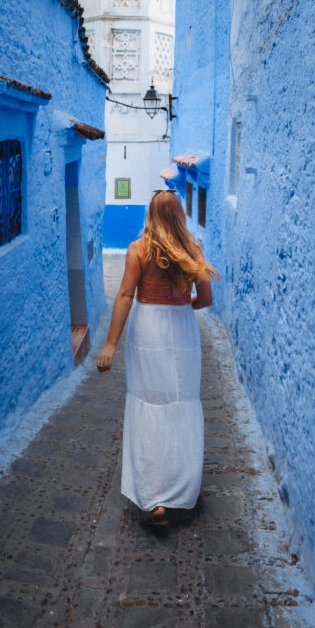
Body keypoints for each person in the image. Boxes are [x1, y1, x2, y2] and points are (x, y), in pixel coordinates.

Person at [97, 189, 218, 527]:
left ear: (149, 214)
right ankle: (180, 489)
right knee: (180, 402)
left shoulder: (138, 250)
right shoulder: (193, 249)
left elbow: (124, 295)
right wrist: (182, 307)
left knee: (148, 403)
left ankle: (154, 498)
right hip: (181, 330)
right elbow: (206, 298)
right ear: (179, 215)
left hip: (147, 326)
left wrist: (110, 345)